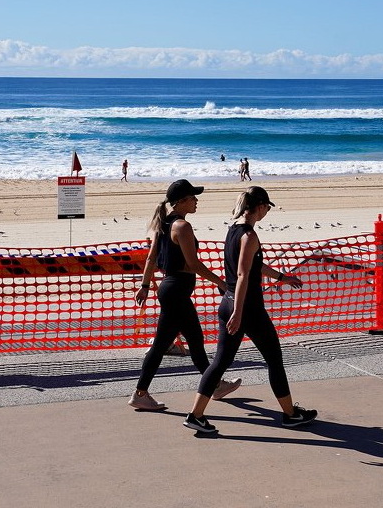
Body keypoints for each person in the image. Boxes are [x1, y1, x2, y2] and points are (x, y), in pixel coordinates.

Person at [183, 186, 317, 433]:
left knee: (220, 362)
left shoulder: (233, 231)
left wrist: (280, 277)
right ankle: (290, 414)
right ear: (259, 207)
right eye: (267, 207)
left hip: (229, 301)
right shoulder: (250, 236)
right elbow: (244, 274)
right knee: (274, 359)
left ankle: (196, 415)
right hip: (247, 308)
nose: (267, 211)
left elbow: (253, 265)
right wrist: (239, 312)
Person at [129, 179, 242, 410]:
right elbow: (193, 265)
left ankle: (216, 385)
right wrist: (221, 282)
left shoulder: (163, 224)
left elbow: (151, 258)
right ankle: (140, 393)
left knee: (189, 343)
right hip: (177, 292)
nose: (196, 201)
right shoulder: (182, 226)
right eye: (192, 197)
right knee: (166, 345)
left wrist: (145, 285)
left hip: (171, 290)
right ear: (181, 201)